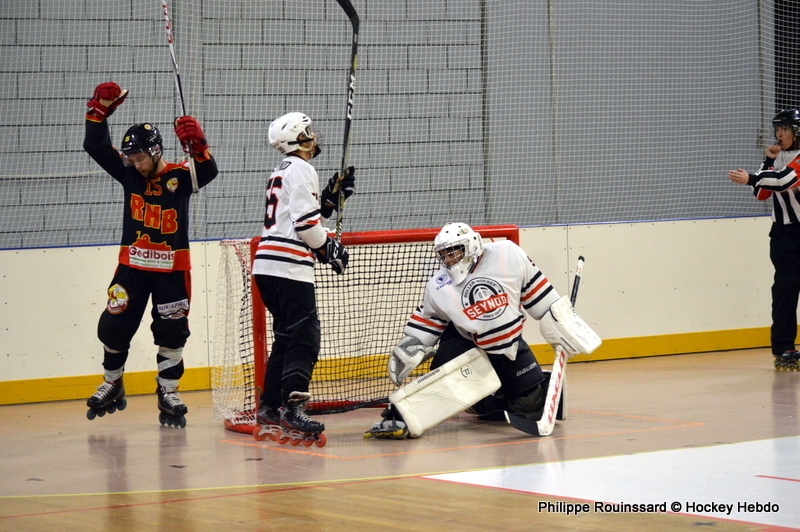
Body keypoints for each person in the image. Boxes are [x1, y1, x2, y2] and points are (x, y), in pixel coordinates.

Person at [364, 222, 599, 439]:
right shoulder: (438, 285)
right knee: (439, 390)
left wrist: (563, 323)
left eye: (453, 250)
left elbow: (542, 299)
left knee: (530, 404)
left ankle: (495, 398)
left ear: (471, 245)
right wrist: (409, 348)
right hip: (465, 345)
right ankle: (404, 414)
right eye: (444, 254)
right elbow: (428, 321)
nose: (449, 258)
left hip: (508, 345)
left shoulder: (507, 254)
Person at [83, 81, 218, 426]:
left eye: (140, 156)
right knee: (114, 325)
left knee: (172, 331)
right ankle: (112, 383)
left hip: (172, 270)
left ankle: (168, 391)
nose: (135, 162)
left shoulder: (179, 177)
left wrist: (199, 146)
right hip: (132, 267)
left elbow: (208, 172)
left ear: (156, 151)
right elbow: (95, 146)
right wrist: (98, 111)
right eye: (130, 157)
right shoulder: (129, 173)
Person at [252, 112, 354, 442]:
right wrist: (330, 251)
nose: (314, 136)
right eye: (308, 132)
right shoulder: (302, 169)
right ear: (298, 138)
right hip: (288, 268)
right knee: (305, 338)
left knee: (286, 336)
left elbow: (300, 214)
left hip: (267, 267)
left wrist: (328, 199)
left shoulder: (283, 170)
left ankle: (270, 405)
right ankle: (294, 408)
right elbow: (306, 227)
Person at [728, 110, 800, 371]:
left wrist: (751, 177)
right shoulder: (778, 157)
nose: (779, 134)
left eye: (785, 129)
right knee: (785, 289)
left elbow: (784, 182)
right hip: (784, 235)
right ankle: (784, 348)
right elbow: (761, 194)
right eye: (777, 129)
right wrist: (767, 161)